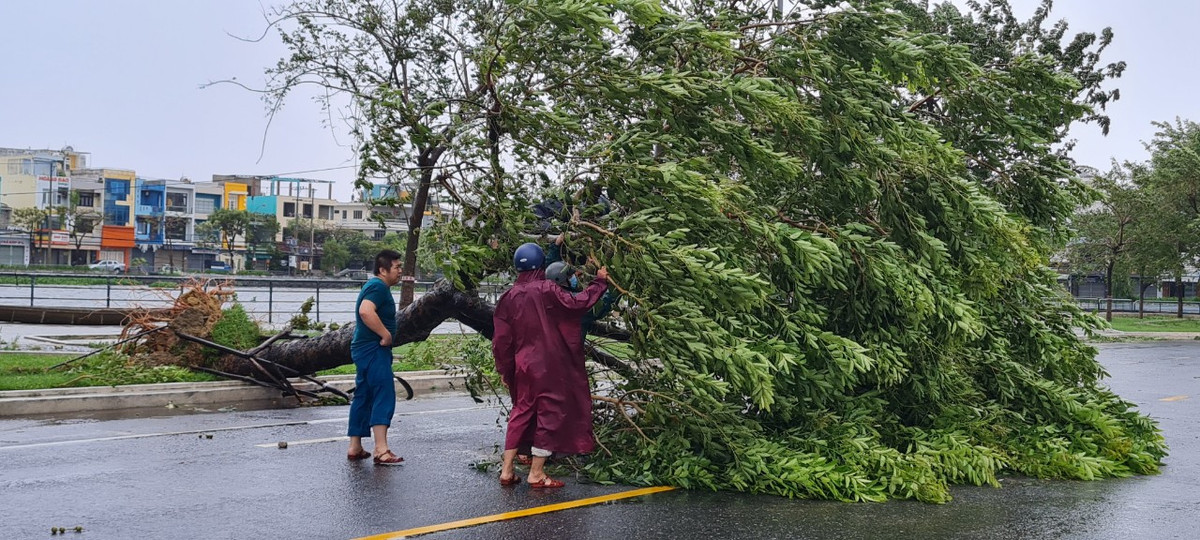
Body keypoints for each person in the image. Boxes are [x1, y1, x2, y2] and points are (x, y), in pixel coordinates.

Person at [493, 242, 610, 488]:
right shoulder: (547, 289)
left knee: (521, 413)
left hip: (523, 365)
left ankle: (506, 471)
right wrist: (600, 283)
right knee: (550, 414)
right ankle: (536, 473)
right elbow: (578, 304)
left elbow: (501, 341)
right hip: (550, 365)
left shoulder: (508, 297)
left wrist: (505, 370)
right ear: (540, 264)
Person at [346, 249, 405, 465]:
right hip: (373, 348)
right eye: (397, 267)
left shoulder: (375, 286)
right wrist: (385, 334)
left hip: (363, 348)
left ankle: (355, 446)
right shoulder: (378, 287)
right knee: (383, 393)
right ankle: (381, 449)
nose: (400, 271)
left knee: (364, 394)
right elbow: (365, 311)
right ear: (383, 269)